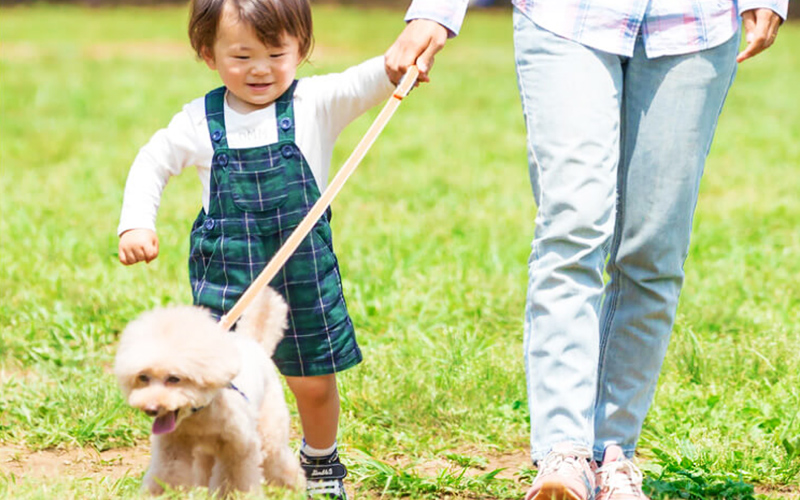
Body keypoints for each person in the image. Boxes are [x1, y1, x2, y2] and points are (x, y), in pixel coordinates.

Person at [385, 1, 786, 499]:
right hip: (566, 17)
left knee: (654, 249)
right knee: (573, 225)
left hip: (694, 26)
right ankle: (564, 450)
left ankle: (613, 453)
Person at [117, 0, 395, 497]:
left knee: (311, 377)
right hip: (226, 272)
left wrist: (401, 61)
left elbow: (368, 79)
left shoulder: (316, 103)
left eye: (276, 53)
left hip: (301, 269)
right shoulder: (199, 121)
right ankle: (211, 454)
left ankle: (321, 460)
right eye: (241, 56)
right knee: (215, 379)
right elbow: (152, 161)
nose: (261, 69)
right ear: (208, 54)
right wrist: (136, 222)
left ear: (301, 49)